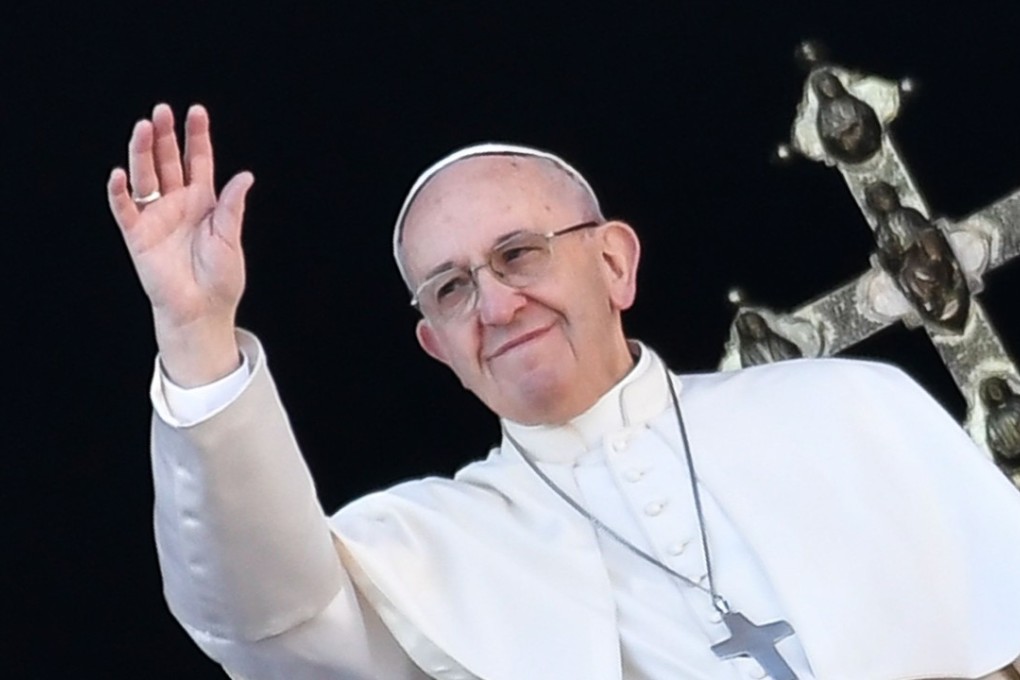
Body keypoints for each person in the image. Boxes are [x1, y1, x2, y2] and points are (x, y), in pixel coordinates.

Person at [108, 104, 1020, 680]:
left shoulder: (847, 408)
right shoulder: (428, 547)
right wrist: (196, 332)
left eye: (519, 254)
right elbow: (262, 619)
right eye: (453, 288)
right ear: (438, 346)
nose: (497, 304)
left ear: (615, 262)